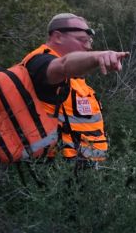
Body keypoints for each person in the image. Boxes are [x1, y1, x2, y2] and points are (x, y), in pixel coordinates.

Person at [22, 13, 128, 162]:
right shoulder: (39, 62)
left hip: (80, 170)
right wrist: (98, 57)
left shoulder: (74, 75)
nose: (88, 46)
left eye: (90, 41)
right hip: (50, 170)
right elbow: (63, 65)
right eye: (82, 40)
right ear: (58, 37)